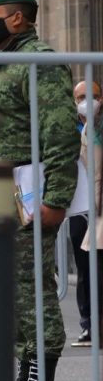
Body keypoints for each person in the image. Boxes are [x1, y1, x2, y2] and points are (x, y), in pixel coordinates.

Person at [0, 0, 79, 381]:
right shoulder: (3, 65)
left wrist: (55, 199)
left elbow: (59, 134)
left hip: (28, 194)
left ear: (17, 18)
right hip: (2, 192)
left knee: (32, 288)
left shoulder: (40, 61)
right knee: (13, 292)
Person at [70, 81, 103, 347]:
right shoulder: (69, 128)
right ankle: (87, 324)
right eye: (81, 97)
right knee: (84, 267)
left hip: (100, 206)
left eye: (93, 96)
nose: (87, 101)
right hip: (79, 206)